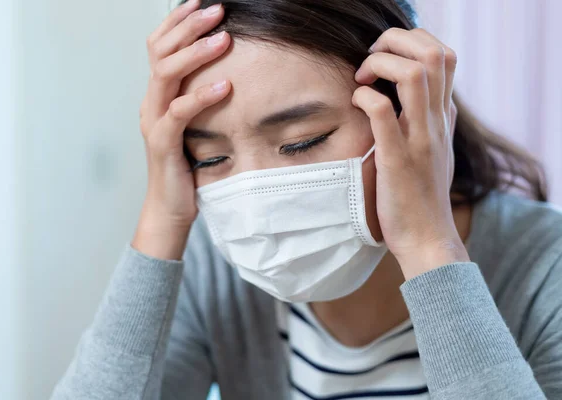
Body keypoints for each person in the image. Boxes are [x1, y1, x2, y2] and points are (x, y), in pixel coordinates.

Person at [51, 0, 562, 399]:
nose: (257, 212)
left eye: (302, 142)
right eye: (211, 158)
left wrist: (430, 247)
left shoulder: (544, 265)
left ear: (406, 110)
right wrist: (162, 219)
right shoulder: (213, 268)